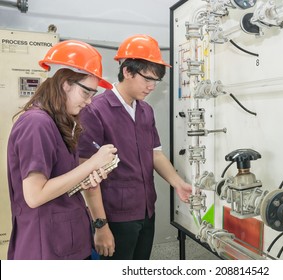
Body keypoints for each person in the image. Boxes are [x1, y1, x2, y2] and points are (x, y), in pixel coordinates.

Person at [78, 34, 192, 260]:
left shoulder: (145, 110)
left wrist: (178, 183)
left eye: (156, 81)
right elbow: (87, 173)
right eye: (147, 79)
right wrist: (100, 226)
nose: (152, 87)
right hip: (115, 216)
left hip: (146, 209)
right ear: (127, 71)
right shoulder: (95, 110)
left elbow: (155, 154)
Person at [6, 40, 118, 260]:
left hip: (63, 241)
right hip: (45, 247)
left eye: (93, 95)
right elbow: (35, 195)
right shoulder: (36, 123)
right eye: (86, 93)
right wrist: (93, 163)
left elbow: (58, 175)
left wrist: (86, 175)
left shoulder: (57, 122)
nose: (89, 102)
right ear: (65, 83)